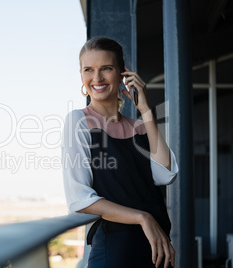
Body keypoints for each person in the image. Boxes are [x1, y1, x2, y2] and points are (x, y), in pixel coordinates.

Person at [61, 37, 179, 268]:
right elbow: (79, 199)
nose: (97, 78)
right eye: (89, 70)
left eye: (106, 68)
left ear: (123, 74)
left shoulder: (140, 126)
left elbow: (165, 175)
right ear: (82, 77)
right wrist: (142, 217)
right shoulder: (79, 121)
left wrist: (145, 111)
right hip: (115, 248)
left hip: (157, 250)